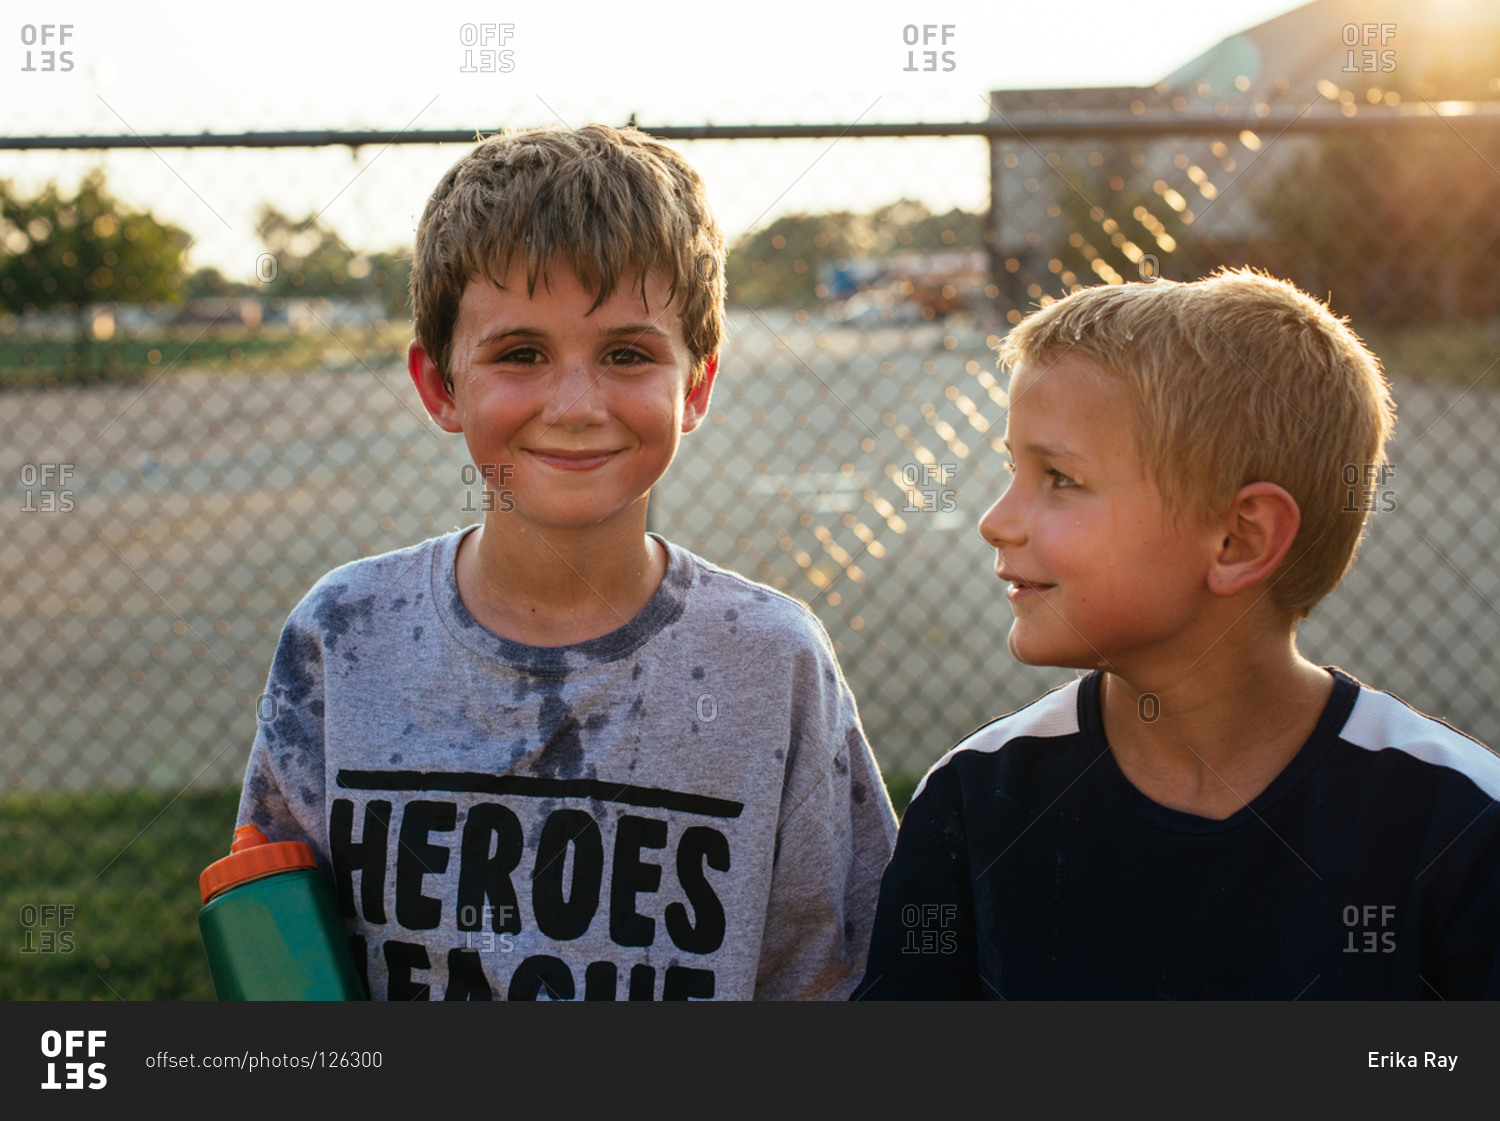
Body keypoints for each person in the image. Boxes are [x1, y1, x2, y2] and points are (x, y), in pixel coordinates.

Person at [236, 124, 897, 1000]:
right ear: (440, 385)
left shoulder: (771, 661)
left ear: (694, 386)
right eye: (521, 354)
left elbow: (830, 980)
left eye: (627, 354)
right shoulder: (344, 637)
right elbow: (280, 957)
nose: (577, 405)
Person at [855, 268, 1500, 999]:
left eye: (1059, 477)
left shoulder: (1461, 829)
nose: (995, 520)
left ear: (1239, 539)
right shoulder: (973, 804)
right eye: (1013, 468)